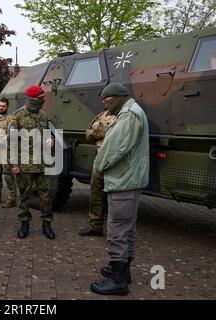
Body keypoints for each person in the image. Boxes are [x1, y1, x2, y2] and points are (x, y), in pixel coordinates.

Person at [90, 82, 149, 296]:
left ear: (118, 96)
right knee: (126, 227)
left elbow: (115, 147)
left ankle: (118, 279)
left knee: (118, 228)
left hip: (124, 179)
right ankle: (122, 269)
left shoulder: (129, 115)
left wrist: (99, 166)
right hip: (127, 178)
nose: (105, 104)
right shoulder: (128, 111)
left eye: (107, 99)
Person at [9, 85, 56, 240]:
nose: (43, 100)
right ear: (34, 99)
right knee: (24, 194)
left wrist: (51, 140)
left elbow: (48, 132)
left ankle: (47, 223)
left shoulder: (43, 114)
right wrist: (14, 164)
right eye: (41, 98)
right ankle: (24, 222)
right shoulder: (18, 116)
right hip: (25, 164)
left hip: (43, 163)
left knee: (46, 195)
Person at [78, 103, 116, 237]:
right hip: (99, 159)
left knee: (115, 198)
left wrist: (99, 132)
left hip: (114, 160)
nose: (106, 101)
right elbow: (88, 134)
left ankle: (115, 232)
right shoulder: (101, 115)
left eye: (109, 98)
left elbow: (117, 136)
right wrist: (104, 132)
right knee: (96, 194)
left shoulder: (122, 116)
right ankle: (95, 226)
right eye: (104, 98)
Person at [0, 98, 17, 208]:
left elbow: (13, 134)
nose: (1, 108)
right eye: (0, 106)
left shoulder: (11, 119)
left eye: (3, 106)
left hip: (7, 152)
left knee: (8, 176)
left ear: (7, 107)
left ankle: (12, 198)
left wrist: (2, 141)